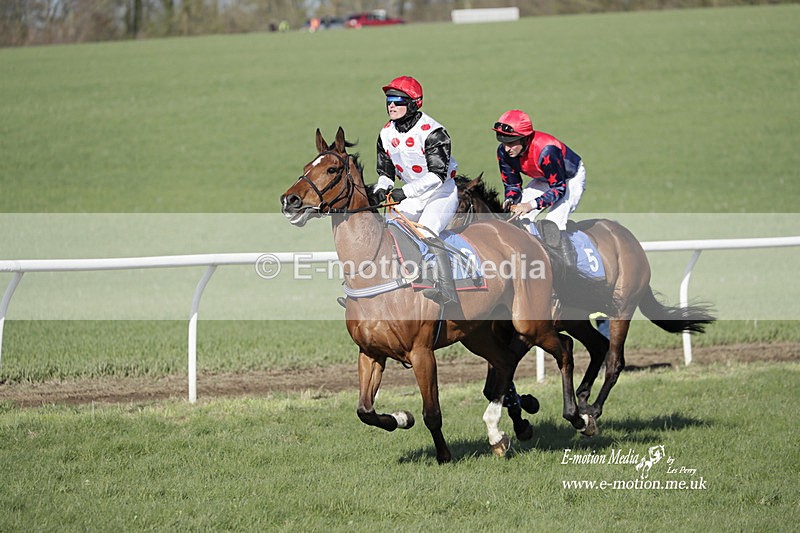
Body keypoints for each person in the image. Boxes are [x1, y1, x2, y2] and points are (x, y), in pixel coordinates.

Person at [368, 75, 459, 306]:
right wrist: (382, 188)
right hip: (413, 194)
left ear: (413, 103)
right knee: (387, 230)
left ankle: (448, 291)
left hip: (441, 193)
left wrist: (404, 192)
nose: (391, 105)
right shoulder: (386, 133)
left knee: (427, 232)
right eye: (389, 99)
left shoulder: (434, 132)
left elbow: (437, 176)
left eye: (398, 100)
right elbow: (386, 173)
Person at [492, 109, 586, 268]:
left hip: (569, 179)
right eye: (503, 142)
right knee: (519, 218)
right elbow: (512, 184)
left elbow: (558, 188)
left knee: (554, 223)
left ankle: (570, 271)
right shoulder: (503, 152)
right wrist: (510, 199)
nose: (507, 148)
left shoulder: (547, 150)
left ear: (525, 139)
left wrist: (530, 205)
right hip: (543, 178)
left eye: (511, 143)